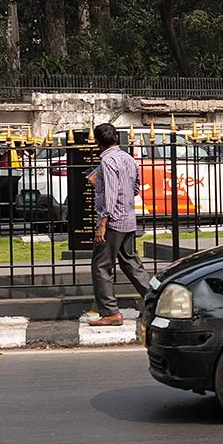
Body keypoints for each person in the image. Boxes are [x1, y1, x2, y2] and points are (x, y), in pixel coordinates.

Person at [87, 123, 148, 326]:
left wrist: (102, 223)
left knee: (101, 266)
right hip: (128, 218)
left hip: (113, 221)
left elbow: (111, 194)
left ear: (98, 142)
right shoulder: (128, 158)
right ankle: (156, 301)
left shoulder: (108, 160)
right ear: (116, 137)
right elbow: (136, 187)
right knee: (130, 262)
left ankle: (110, 312)